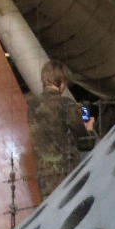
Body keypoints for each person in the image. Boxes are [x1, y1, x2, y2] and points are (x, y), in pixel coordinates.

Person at [26, 59, 96, 199]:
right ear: (61, 81)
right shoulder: (66, 104)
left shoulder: (32, 106)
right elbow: (86, 143)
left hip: (44, 178)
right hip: (67, 176)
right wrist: (89, 126)